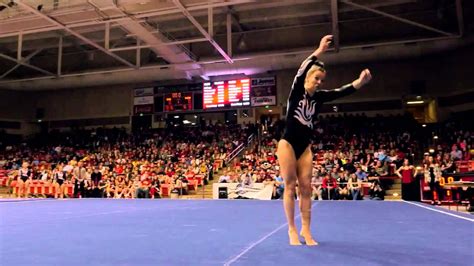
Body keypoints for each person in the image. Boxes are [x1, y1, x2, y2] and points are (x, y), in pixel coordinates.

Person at [276, 35, 372, 245]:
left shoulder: (319, 98)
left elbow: (341, 92)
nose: (319, 83)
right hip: (288, 143)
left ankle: (306, 230)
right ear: (308, 77)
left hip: (305, 146)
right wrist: (319, 50)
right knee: (290, 185)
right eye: (316, 78)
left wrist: (360, 83)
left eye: (321, 80)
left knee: (306, 187)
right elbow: (303, 66)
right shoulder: (297, 90)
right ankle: (292, 229)